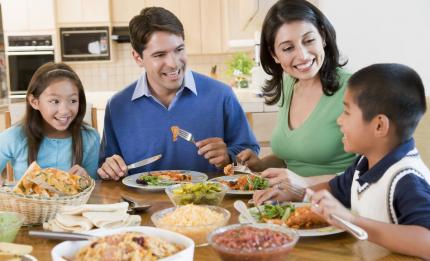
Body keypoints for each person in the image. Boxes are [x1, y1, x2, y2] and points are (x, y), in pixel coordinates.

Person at [259, 63, 430, 259]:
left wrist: (350, 220)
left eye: (347, 112)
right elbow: (333, 189)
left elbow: (427, 241)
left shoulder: (406, 178)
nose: (339, 120)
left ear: (379, 125)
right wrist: (294, 194)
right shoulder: (364, 163)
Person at [98, 7, 259, 180]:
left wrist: (229, 157)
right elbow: (105, 168)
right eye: (160, 55)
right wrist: (108, 169)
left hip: (207, 204)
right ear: (138, 58)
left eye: (179, 50)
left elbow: (249, 153)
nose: (173, 63)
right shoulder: (117, 106)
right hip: (142, 205)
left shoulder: (221, 95)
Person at [236, 0, 355, 185]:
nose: (303, 55)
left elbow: (370, 175)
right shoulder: (288, 82)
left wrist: (304, 183)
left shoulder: (354, 88)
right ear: (274, 54)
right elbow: (294, 159)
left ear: (322, 36)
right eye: (288, 48)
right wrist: (260, 164)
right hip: (293, 203)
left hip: (337, 206)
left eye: (309, 40)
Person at [0, 62, 100, 180]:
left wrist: (87, 179)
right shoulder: (13, 137)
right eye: (55, 101)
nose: (64, 111)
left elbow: (95, 188)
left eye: (72, 101)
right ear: (34, 102)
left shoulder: (90, 137)